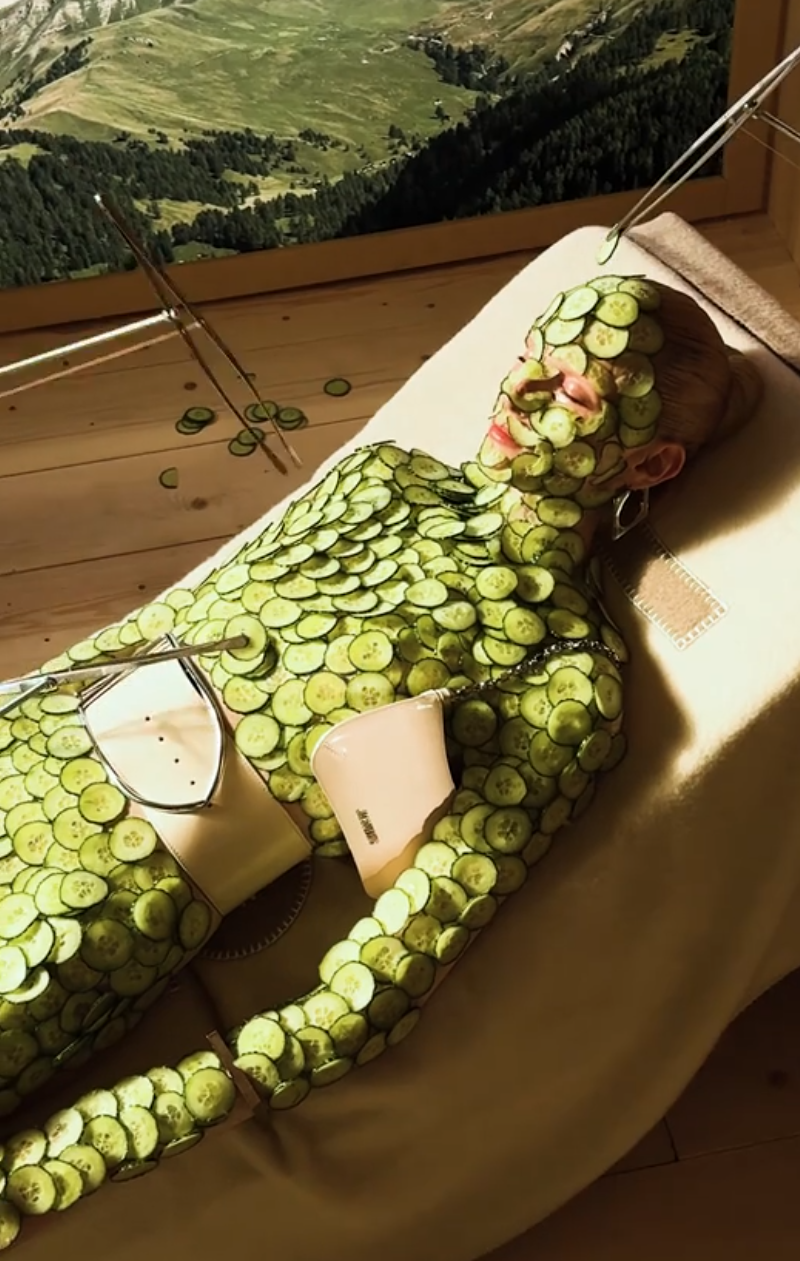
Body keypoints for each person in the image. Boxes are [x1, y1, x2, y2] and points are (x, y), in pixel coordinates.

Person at [0, 271, 762, 1246]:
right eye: (529, 356)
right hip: (36, 734)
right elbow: (173, 617)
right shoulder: (384, 478)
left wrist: (103, 1137)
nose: (518, 390)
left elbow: (392, 965)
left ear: (649, 462)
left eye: (572, 393)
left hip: (96, 896)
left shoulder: (562, 675)